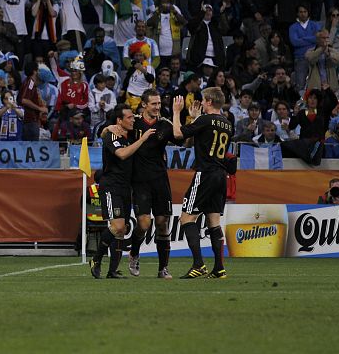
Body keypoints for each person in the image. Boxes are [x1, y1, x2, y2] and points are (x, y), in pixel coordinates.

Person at [171, 88, 235, 279]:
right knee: (214, 222)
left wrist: (176, 112)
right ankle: (219, 268)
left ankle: (198, 264)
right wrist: (195, 118)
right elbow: (201, 140)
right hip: (220, 176)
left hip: (205, 174)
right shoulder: (228, 124)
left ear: (208, 101)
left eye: (202, 100)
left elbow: (177, 134)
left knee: (186, 218)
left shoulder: (204, 121)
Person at [89, 104, 155, 279]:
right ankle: (96, 259)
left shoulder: (130, 134)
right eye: (129, 117)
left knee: (122, 229)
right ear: (119, 120)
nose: (133, 120)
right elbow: (123, 154)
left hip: (126, 187)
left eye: (133, 117)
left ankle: (112, 270)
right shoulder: (112, 135)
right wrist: (141, 140)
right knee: (117, 226)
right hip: (111, 186)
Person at [125, 90, 179, 279]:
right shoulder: (134, 122)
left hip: (160, 180)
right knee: (144, 223)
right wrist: (107, 130)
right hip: (139, 181)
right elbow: (115, 128)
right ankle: (134, 253)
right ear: (144, 105)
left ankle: (163, 268)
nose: (157, 107)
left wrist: (183, 116)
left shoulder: (165, 124)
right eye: (153, 104)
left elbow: (184, 140)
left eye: (159, 103)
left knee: (163, 223)